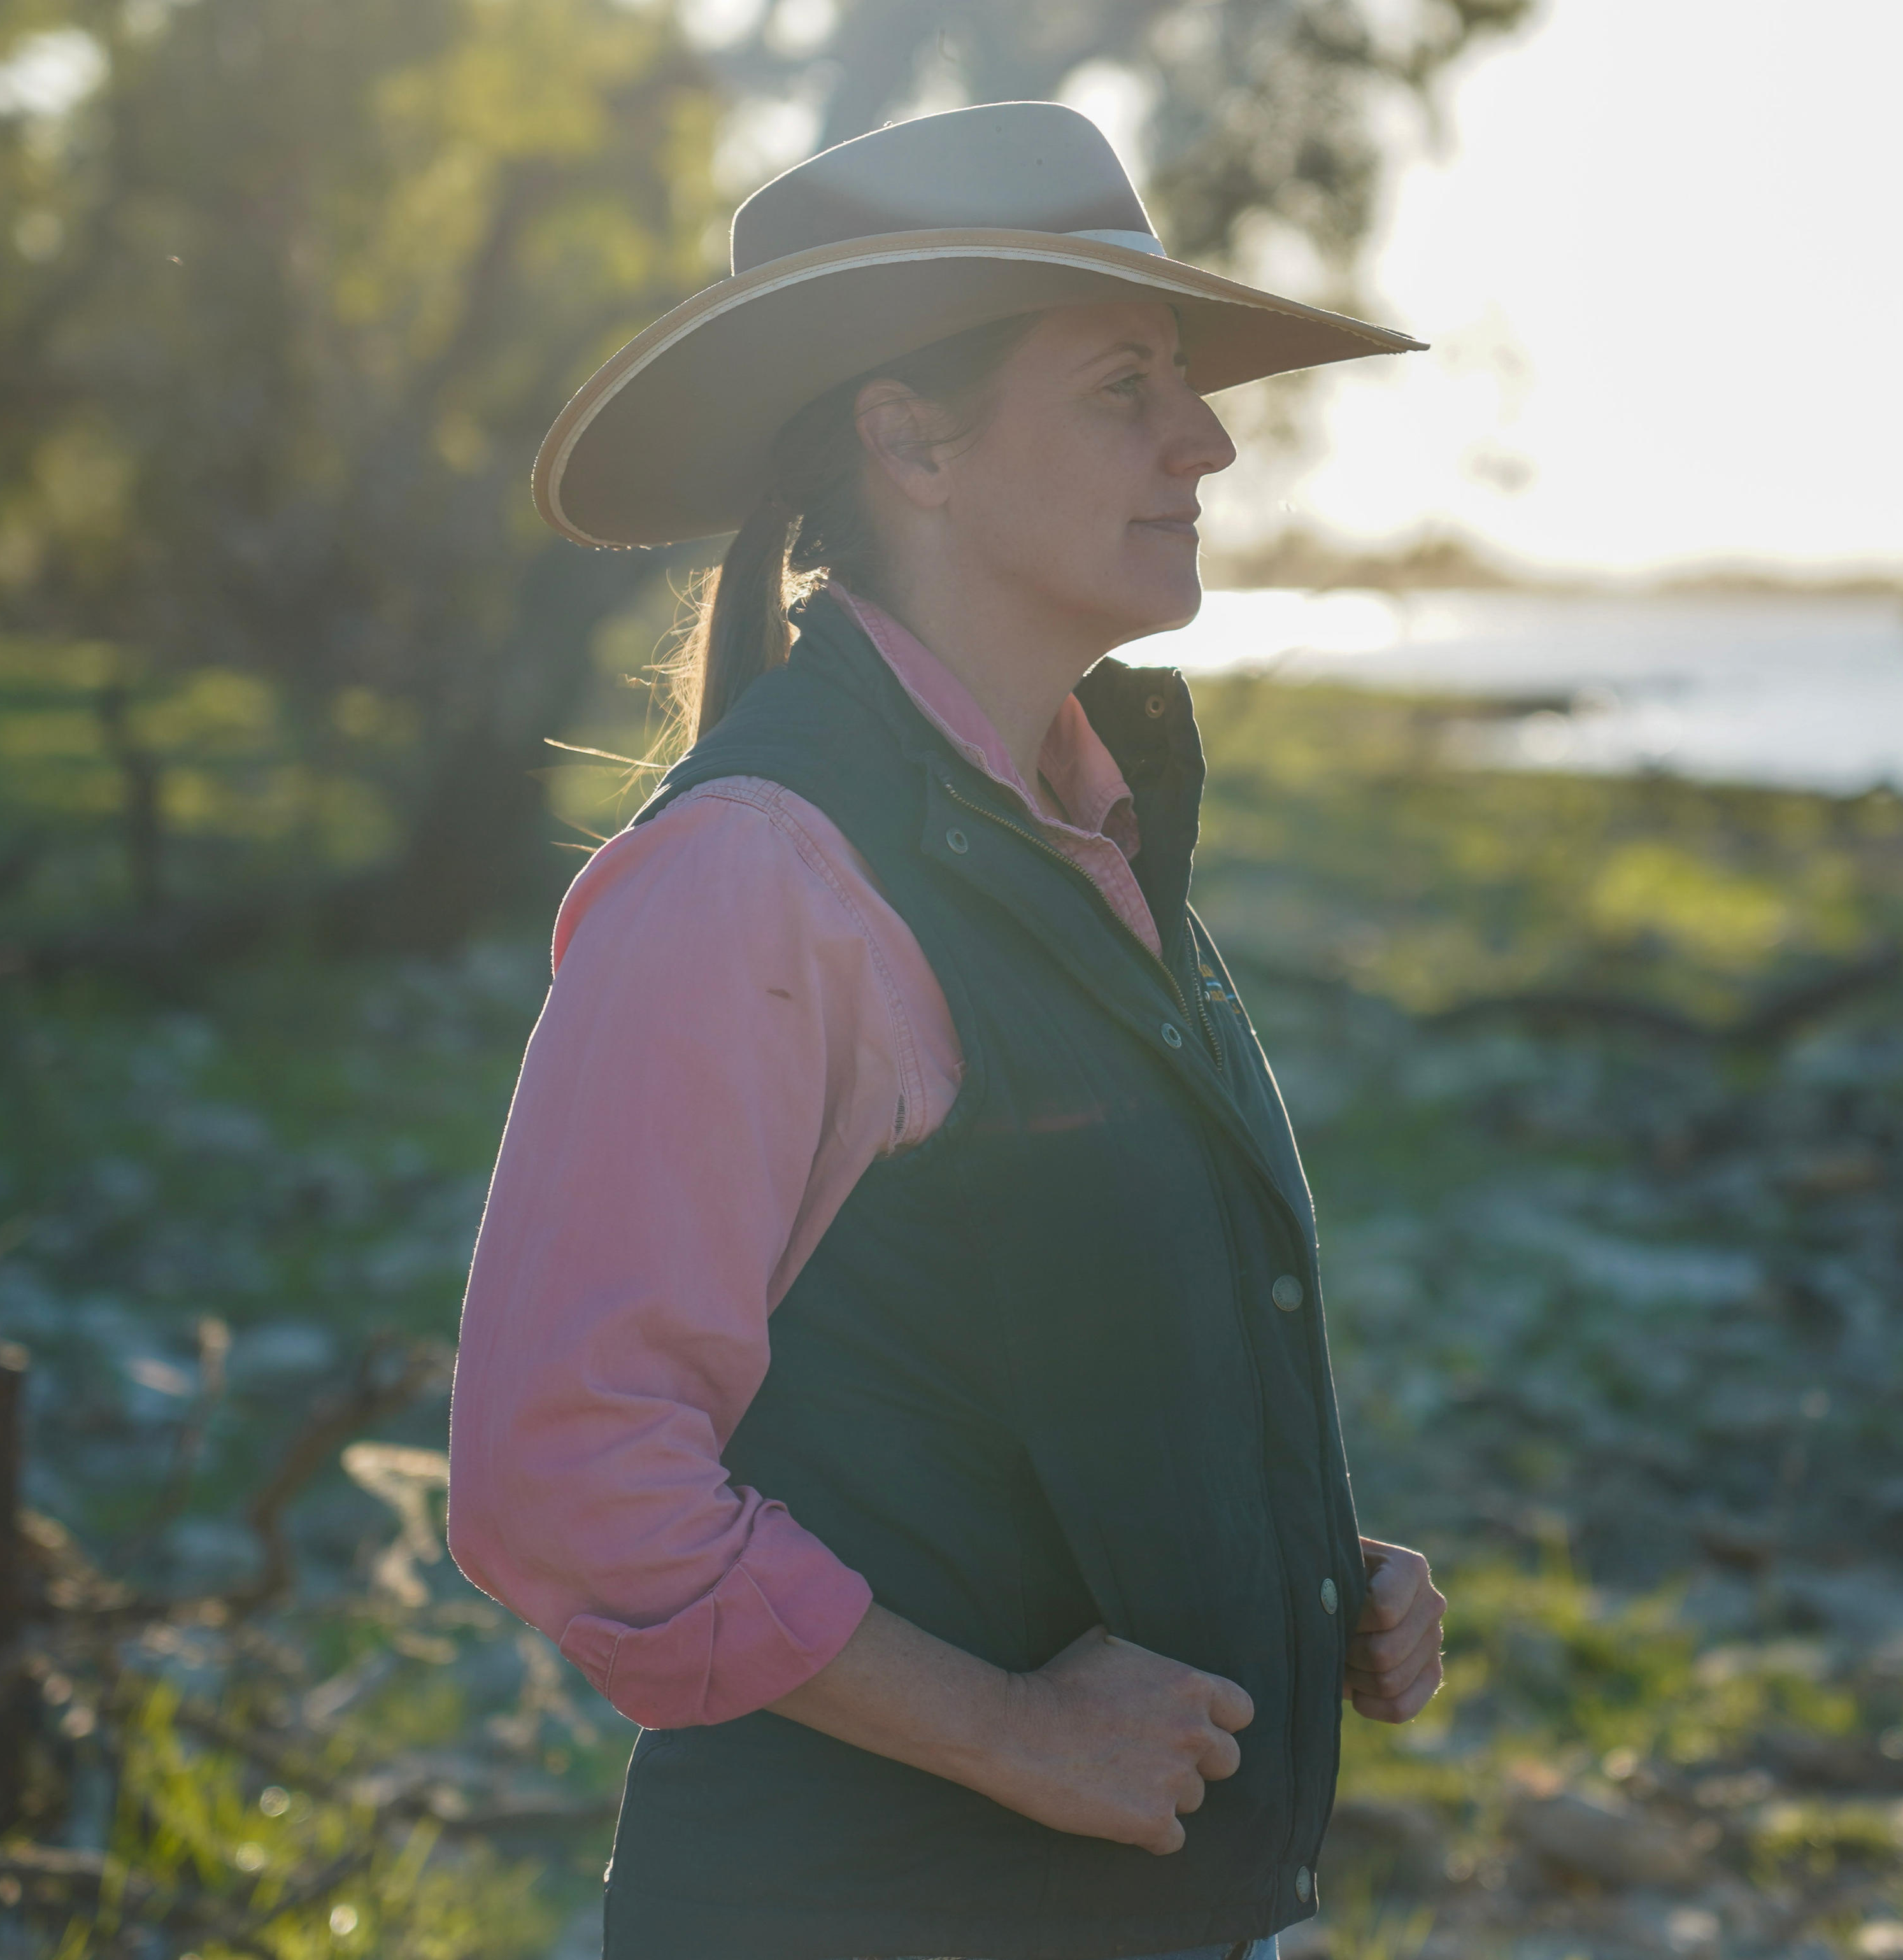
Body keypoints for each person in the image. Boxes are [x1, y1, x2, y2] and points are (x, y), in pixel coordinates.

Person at [447, 102, 1448, 1960]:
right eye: (1124, 386)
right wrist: (1009, 1731)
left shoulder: (1084, 828)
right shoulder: (759, 873)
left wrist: (1308, 1565)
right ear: (909, 438)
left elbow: (1018, 1352)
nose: (1208, 436)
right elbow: (565, 1471)